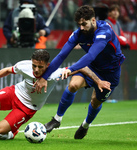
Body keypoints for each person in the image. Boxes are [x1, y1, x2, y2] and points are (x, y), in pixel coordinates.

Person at [0, 49, 110, 140]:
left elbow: (82, 67)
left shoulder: (55, 73)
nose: (36, 70)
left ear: (48, 65)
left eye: (40, 67)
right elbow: (7, 70)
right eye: (34, 66)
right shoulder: (25, 65)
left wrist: (98, 81)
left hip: (27, 107)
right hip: (14, 93)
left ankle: (13, 132)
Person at [34, 5, 125, 139]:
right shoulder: (78, 34)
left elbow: (90, 56)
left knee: (95, 102)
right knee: (73, 85)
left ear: (93, 20)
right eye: (79, 24)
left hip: (110, 73)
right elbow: (61, 56)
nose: (82, 27)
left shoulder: (104, 31)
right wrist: (44, 77)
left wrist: (70, 69)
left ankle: (85, 125)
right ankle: (57, 120)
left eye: (84, 24)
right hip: (91, 67)